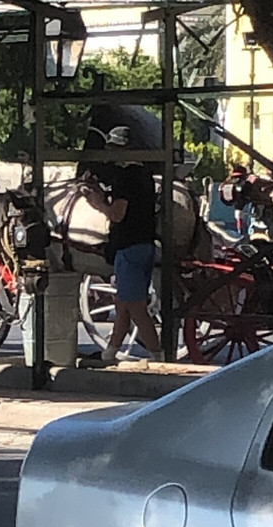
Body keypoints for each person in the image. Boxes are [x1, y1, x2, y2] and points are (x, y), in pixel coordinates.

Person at [80, 126, 163, 363]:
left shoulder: (125, 177)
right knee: (124, 305)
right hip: (145, 245)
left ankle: (158, 356)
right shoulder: (144, 176)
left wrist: (97, 203)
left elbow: (117, 214)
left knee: (135, 307)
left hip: (128, 247)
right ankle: (110, 352)